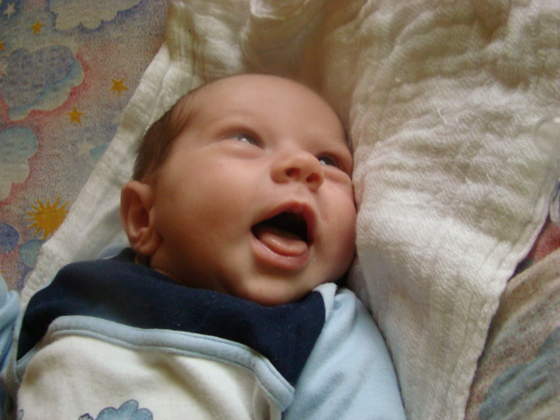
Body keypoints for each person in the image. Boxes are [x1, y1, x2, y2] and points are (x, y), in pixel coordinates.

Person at [0, 74, 406, 419]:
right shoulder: (82, 289)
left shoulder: (319, 327)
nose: (305, 166)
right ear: (143, 217)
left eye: (330, 161)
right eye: (247, 139)